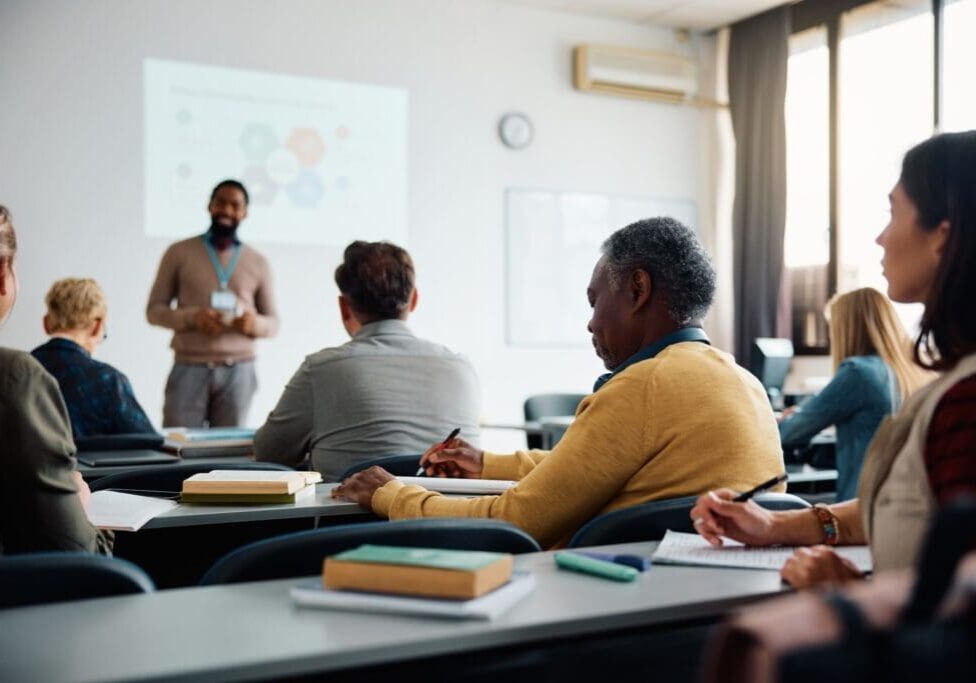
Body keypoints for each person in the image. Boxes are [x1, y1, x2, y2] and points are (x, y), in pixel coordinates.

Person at [333, 217, 786, 549]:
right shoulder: (744, 383)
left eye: (595, 301)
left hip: (594, 612)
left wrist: (391, 494)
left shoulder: (643, 385)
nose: (590, 323)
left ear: (637, 289)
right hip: (697, 613)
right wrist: (488, 463)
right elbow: (592, 466)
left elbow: (515, 522)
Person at [691, 130, 976, 588]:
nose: (880, 237)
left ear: (942, 237)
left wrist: (847, 595)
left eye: (893, 212)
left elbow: (959, 628)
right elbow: (908, 508)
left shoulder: (966, 399)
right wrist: (774, 526)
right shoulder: (946, 376)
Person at [254, 240, 481, 481]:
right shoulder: (461, 368)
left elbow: (269, 453)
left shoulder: (321, 370)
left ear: (344, 307)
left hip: (349, 519)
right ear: (414, 300)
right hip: (453, 518)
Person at [0, 206, 111, 554]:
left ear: (47, 323)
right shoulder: (17, 379)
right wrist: (79, 503)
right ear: (4, 275)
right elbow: (79, 556)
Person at [147, 179, 279, 428]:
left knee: (229, 457)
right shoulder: (178, 252)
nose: (227, 211)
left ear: (245, 213)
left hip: (239, 370)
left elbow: (273, 323)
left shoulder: (258, 261)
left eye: (235, 205)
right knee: (179, 449)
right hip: (189, 365)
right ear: (210, 205)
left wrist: (253, 324)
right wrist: (193, 317)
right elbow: (154, 311)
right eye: (221, 202)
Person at [779, 287, 930, 501]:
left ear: (846, 329)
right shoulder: (910, 368)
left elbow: (789, 433)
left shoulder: (858, 373)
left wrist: (785, 419)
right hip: (900, 498)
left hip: (861, 505)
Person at [31, 278, 157, 438]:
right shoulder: (108, 380)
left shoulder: (20, 371)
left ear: (47, 323)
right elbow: (148, 442)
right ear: (97, 326)